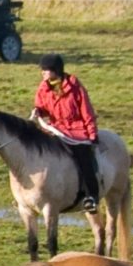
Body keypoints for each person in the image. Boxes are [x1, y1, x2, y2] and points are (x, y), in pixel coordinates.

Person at [31, 54, 101, 212]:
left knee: (84, 159)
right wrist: (38, 111)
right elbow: (41, 106)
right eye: (42, 69)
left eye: (46, 70)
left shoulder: (75, 87)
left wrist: (92, 135)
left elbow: (87, 111)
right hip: (55, 129)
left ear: (56, 70)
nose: (43, 72)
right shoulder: (43, 87)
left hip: (76, 131)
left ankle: (92, 196)